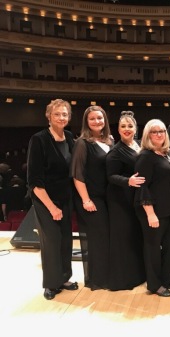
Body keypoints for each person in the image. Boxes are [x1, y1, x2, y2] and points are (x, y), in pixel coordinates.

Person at [27, 99, 78, 300]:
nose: (61, 117)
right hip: (45, 199)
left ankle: (64, 277)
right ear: (48, 116)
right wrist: (51, 207)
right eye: (57, 114)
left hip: (65, 197)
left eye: (65, 114)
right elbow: (34, 180)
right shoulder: (38, 140)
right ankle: (50, 283)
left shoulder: (69, 137)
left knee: (66, 239)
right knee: (51, 241)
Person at [135, 119, 170, 297]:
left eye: (162, 131)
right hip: (152, 211)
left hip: (169, 209)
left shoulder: (167, 153)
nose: (159, 134)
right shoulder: (145, 156)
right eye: (154, 132)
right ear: (147, 135)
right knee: (153, 248)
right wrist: (150, 213)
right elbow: (142, 186)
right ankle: (154, 285)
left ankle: (167, 280)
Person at [71, 105, 113, 290]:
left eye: (100, 118)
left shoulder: (110, 140)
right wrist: (86, 200)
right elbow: (77, 174)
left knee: (106, 239)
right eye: (93, 119)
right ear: (86, 122)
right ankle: (97, 280)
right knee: (98, 239)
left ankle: (107, 275)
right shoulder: (82, 143)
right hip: (92, 199)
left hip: (108, 198)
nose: (97, 121)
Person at [106, 111, 146, 291]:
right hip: (120, 200)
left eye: (130, 126)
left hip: (134, 198)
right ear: (118, 129)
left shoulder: (139, 145)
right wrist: (127, 181)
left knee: (136, 237)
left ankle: (138, 275)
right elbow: (110, 176)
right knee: (123, 239)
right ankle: (123, 279)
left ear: (136, 128)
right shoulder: (115, 151)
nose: (127, 129)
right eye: (123, 126)